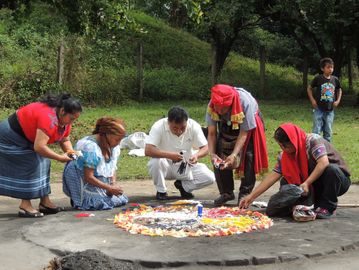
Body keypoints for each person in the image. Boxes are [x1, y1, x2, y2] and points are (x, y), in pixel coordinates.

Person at [239, 123, 351, 219]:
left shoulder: (313, 141)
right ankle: (308, 204)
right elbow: (273, 175)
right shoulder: (286, 155)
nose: (283, 149)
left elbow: (323, 163)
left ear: (294, 140)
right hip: (314, 185)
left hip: (337, 181)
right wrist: (251, 196)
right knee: (286, 181)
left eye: (286, 145)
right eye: (280, 145)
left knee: (331, 169)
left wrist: (307, 183)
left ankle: (327, 207)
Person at [0, 93, 82, 217]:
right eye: (72, 118)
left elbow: (65, 139)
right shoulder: (48, 118)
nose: (72, 121)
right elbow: (39, 147)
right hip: (8, 138)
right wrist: (60, 158)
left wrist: (71, 152)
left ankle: (45, 202)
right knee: (32, 163)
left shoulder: (64, 119)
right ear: (63, 111)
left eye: (75, 119)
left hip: (26, 138)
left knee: (45, 161)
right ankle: (25, 206)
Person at [206, 84, 268, 206]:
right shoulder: (212, 105)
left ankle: (245, 194)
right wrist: (212, 154)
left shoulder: (245, 103)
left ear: (230, 104)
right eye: (217, 109)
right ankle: (226, 192)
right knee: (219, 154)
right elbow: (212, 133)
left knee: (248, 155)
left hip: (248, 128)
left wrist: (234, 154)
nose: (219, 112)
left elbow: (244, 134)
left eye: (222, 110)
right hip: (226, 125)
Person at [145, 106, 215, 200]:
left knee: (210, 177)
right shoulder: (158, 126)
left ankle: (184, 187)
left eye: (183, 127)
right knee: (155, 162)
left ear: (187, 121)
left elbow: (206, 147)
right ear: (168, 122)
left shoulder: (193, 125)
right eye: (175, 128)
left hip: (186, 165)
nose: (179, 131)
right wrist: (170, 155)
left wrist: (196, 155)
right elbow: (148, 150)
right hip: (165, 166)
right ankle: (161, 191)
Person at [63, 117, 129, 210]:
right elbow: (88, 177)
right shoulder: (91, 147)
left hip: (96, 177)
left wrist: (112, 184)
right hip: (82, 177)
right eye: (117, 139)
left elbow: (112, 167)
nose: (118, 143)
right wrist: (108, 188)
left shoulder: (112, 146)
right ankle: (79, 198)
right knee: (98, 203)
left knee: (119, 199)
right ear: (106, 135)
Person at [307, 57, 342, 142]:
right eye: (328, 67)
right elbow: (309, 88)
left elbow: (339, 89)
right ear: (322, 68)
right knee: (316, 131)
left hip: (330, 110)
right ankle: (314, 149)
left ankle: (327, 151)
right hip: (319, 109)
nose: (331, 69)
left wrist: (338, 100)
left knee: (328, 132)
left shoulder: (335, 79)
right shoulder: (318, 78)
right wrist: (312, 100)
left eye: (332, 67)